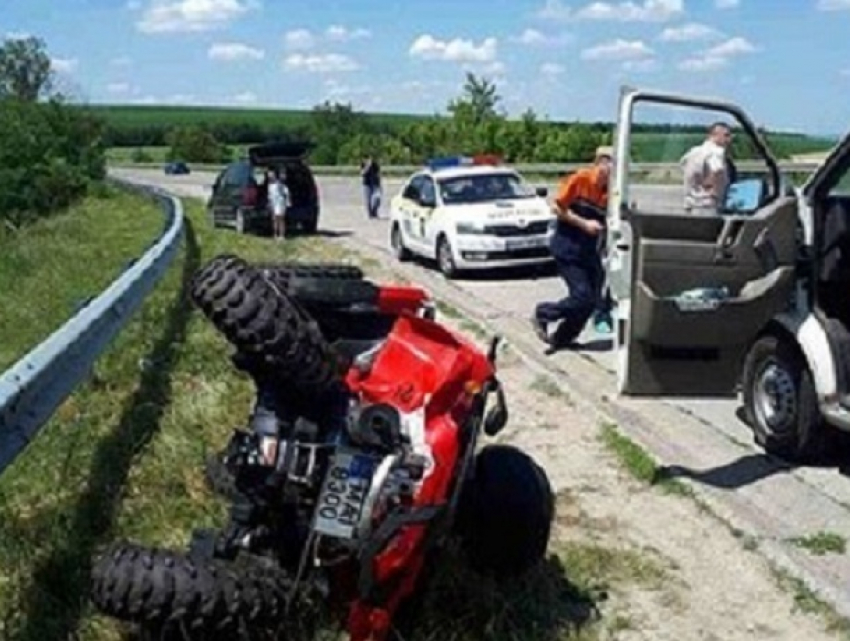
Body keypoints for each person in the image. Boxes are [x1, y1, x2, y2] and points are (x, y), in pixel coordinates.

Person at [531, 146, 612, 348]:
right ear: (601, 163)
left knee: (593, 299)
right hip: (568, 247)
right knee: (582, 296)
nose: (615, 169)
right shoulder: (580, 179)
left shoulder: (612, 190)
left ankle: (563, 338)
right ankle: (543, 313)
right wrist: (584, 223)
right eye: (612, 163)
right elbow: (557, 208)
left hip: (590, 251)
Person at [680, 122, 733, 215]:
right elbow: (717, 170)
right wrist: (712, 188)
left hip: (691, 204)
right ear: (714, 135)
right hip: (707, 204)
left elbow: (682, 164)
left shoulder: (694, 151)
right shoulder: (716, 151)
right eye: (726, 135)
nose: (729, 139)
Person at [268, 168, 289, 240]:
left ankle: (282, 235)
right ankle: (275, 234)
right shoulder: (270, 186)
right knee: (275, 219)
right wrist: (270, 204)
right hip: (274, 203)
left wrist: (287, 202)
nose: (270, 176)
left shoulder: (281, 185)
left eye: (271, 175)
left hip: (280, 203)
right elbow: (270, 196)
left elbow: (286, 194)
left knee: (281, 219)